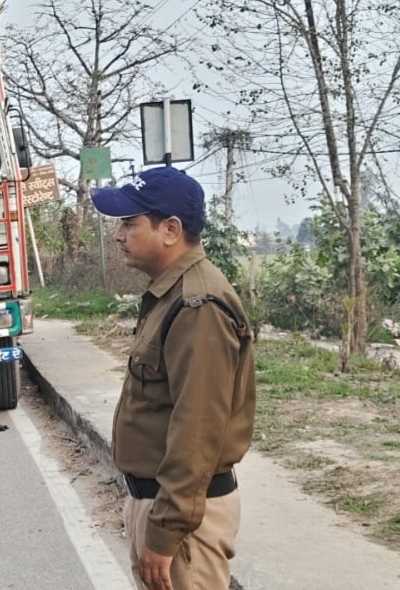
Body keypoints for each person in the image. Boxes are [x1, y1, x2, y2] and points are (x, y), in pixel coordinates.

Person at [91, 167, 256, 590]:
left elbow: (197, 432)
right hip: (160, 504)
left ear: (170, 230)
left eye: (130, 222)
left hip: (183, 521)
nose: (119, 234)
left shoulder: (197, 305)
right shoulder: (171, 295)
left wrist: (165, 531)